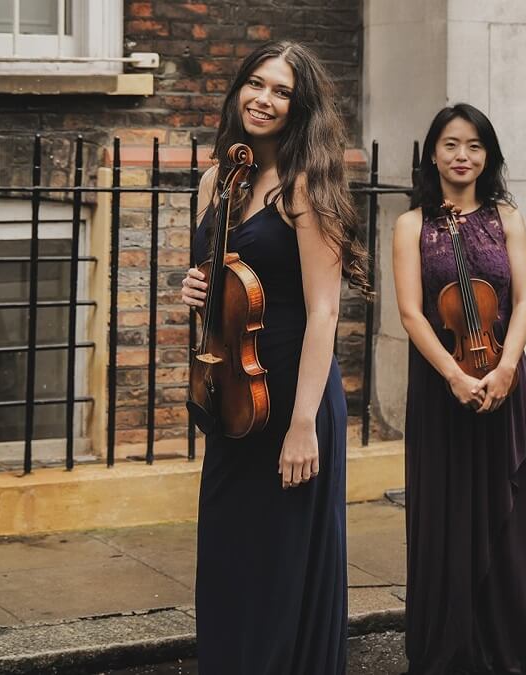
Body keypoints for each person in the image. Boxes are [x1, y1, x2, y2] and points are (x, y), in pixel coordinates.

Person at [392, 103, 526, 674]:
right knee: (447, 513)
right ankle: (454, 645)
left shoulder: (506, 216)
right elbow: (412, 314)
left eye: (475, 146)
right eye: (451, 144)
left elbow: (525, 299)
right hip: (443, 385)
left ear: (489, 156)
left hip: (503, 376)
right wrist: (455, 375)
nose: (463, 156)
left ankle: (521, 637)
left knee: (516, 515)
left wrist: (506, 366)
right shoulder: (411, 224)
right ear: (432, 152)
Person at [179, 40, 367, 674]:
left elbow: (323, 312)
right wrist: (194, 286)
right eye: (256, 84)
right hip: (235, 396)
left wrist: (303, 426)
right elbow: (223, 280)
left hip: (295, 396)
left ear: (299, 106)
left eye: (281, 91)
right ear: (238, 90)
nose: (263, 99)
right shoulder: (216, 180)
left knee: (285, 567)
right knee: (230, 558)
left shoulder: (307, 190)